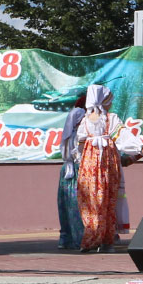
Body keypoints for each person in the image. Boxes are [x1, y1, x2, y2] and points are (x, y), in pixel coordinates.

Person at [74, 85, 138, 252]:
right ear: (103, 101)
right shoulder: (110, 119)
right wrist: (139, 146)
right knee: (103, 198)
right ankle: (102, 240)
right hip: (105, 163)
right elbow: (123, 136)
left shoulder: (86, 120)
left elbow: (79, 144)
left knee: (95, 199)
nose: (111, 104)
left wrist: (80, 159)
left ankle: (97, 238)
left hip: (91, 162)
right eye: (109, 100)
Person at [55, 92, 86, 251]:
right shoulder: (78, 137)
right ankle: (79, 239)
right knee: (75, 206)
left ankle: (65, 238)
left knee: (66, 205)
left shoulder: (69, 136)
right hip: (76, 170)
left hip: (67, 170)